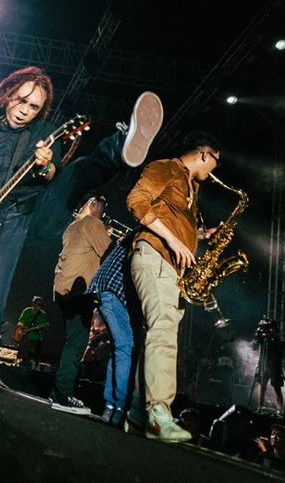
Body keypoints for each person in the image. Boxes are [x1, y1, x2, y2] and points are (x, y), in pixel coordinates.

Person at [0, 65, 163, 413]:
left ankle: (120, 145)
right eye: (21, 100)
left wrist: (46, 165)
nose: (24, 109)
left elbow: (51, 176)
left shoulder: (46, 134)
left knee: (75, 172)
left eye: (34, 107)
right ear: (8, 94)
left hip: (29, 215)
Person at [125, 131, 222, 441]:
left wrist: (203, 234)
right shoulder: (166, 168)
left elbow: (175, 219)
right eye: (215, 164)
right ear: (205, 155)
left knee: (160, 331)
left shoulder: (191, 188)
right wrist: (172, 238)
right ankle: (158, 412)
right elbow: (136, 202)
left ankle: (139, 416)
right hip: (155, 254)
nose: (214, 173)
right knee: (164, 329)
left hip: (171, 266)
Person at [50, 195, 112, 414]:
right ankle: (63, 394)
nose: (105, 209)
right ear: (93, 204)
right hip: (79, 292)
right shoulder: (92, 223)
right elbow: (110, 252)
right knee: (76, 344)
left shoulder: (72, 226)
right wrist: (106, 233)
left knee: (71, 341)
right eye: (103, 204)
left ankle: (59, 390)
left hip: (63, 290)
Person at [90, 230, 136, 428]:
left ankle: (111, 407)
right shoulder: (148, 232)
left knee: (119, 349)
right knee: (125, 347)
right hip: (114, 291)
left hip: (102, 290)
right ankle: (118, 407)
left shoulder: (133, 233)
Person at [256, 318, 285, 415]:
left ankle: (280, 410)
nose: (270, 330)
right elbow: (257, 338)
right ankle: (260, 408)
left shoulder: (278, 342)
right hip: (263, 365)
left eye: (272, 328)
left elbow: (284, 354)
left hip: (275, 367)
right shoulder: (263, 339)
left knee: (277, 388)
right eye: (268, 328)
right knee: (262, 386)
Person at [13, 296, 49, 366]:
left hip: (35, 338)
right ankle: (22, 364)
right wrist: (21, 329)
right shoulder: (27, 310)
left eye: (41, 305)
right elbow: (21, 321)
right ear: (33, 304)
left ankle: (30, 366)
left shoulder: (43, 315)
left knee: (29, 353)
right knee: (22, 351)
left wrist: (42, 327)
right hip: (24, 336)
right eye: (37, 304)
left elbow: (42, 328)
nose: (39, 306)